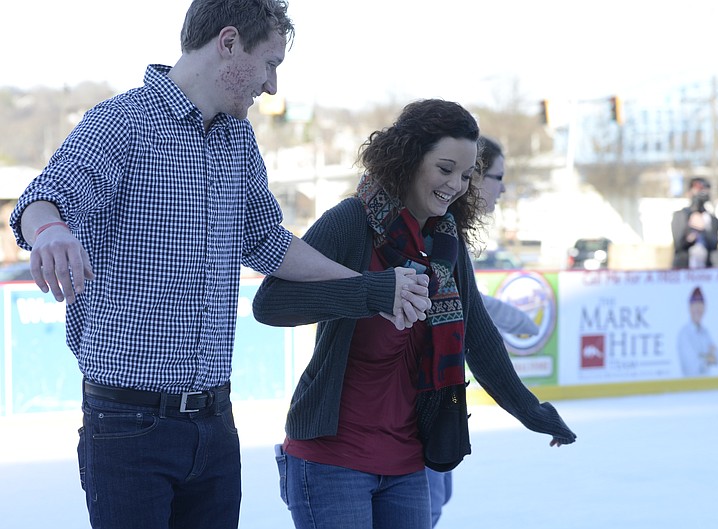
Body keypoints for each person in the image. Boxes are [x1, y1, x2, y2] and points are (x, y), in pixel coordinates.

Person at [7, 2, 430, 528]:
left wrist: (370, 286)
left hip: (214, 423)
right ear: (228, 43)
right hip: (128, 425)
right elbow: (42, 198)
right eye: (270, 63)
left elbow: (268, 243)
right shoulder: (121, 122)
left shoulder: (237, 139)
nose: (272, 86)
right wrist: (50, 230)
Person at [252, 99, 576, 529]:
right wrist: (372, 292)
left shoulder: (445, 244)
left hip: (407, 462)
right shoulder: (351, 222)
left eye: (465, 175)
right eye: (445, 169)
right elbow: (270, 303)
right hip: (332, 459)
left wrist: (531, 411)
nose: (456, 185)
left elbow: (478, 340)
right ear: (408, 158)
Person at [426, 135, 540, 527]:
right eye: (497, 176)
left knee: (436, 498)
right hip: (410, 412)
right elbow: (459, 304)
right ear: (472, 179)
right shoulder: (434, 230)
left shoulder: (448, 231)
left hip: (436, 407)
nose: (503, 187)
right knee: (428, 502)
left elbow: (460, 298)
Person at [671, 177, 718, 269]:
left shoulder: (711, 219)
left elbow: (714, 245)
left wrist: (703, 229)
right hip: (683, 270)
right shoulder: (680, 215)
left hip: (704, 269)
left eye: (704, 189)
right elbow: (678, 245)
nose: (701, 193)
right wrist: (691, 229)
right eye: (698, 189)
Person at [677, 286, 718, 376]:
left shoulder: (706, 332)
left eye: (700, 305)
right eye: (695, 305)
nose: (698, 310)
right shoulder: (684, 334)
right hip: (690, 387)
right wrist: (708, 357)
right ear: (690, 308)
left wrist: (705, 357)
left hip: (708, 386)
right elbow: (692, 368)